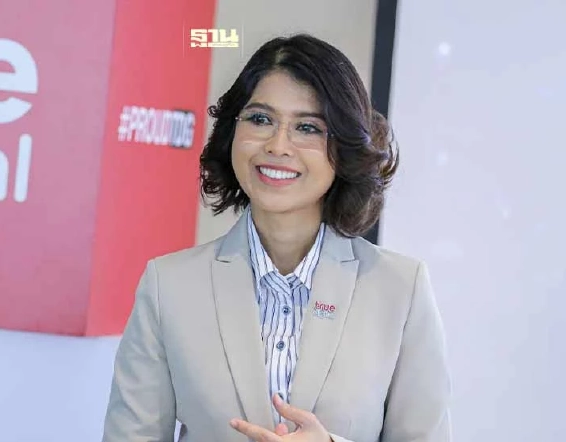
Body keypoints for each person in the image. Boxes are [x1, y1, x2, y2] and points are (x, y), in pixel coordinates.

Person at [102, 33, 450, 442]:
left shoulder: (400, 289)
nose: (278, 145)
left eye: (308, 127)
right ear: (232, 131)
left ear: (344, 148)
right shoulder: (169, 286)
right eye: (260, 120)